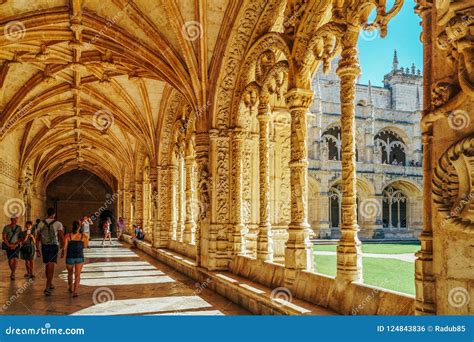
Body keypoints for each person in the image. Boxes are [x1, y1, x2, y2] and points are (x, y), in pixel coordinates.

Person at [35, 208, 64, 296]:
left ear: (47, 213)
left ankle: (50, 283)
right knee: (51, 266)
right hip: (53, 247)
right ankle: (47, 287)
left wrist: (37, 249)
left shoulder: (40, 223)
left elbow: (37, 239)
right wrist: (62, 248)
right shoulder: (58, 224)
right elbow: (61, 237)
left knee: (47, 266)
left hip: (44, 247)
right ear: (54, 214)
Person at [62, 221, 88, 297]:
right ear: (79, 227)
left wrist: (63, 252)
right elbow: (85, 246)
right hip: (79, 257)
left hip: (70, 257)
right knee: (77, 275)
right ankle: (75, 291)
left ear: (72, 226)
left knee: (70, 273)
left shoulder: (68, 236)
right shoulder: (83, 236)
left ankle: (70, 287)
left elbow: (64, 247)